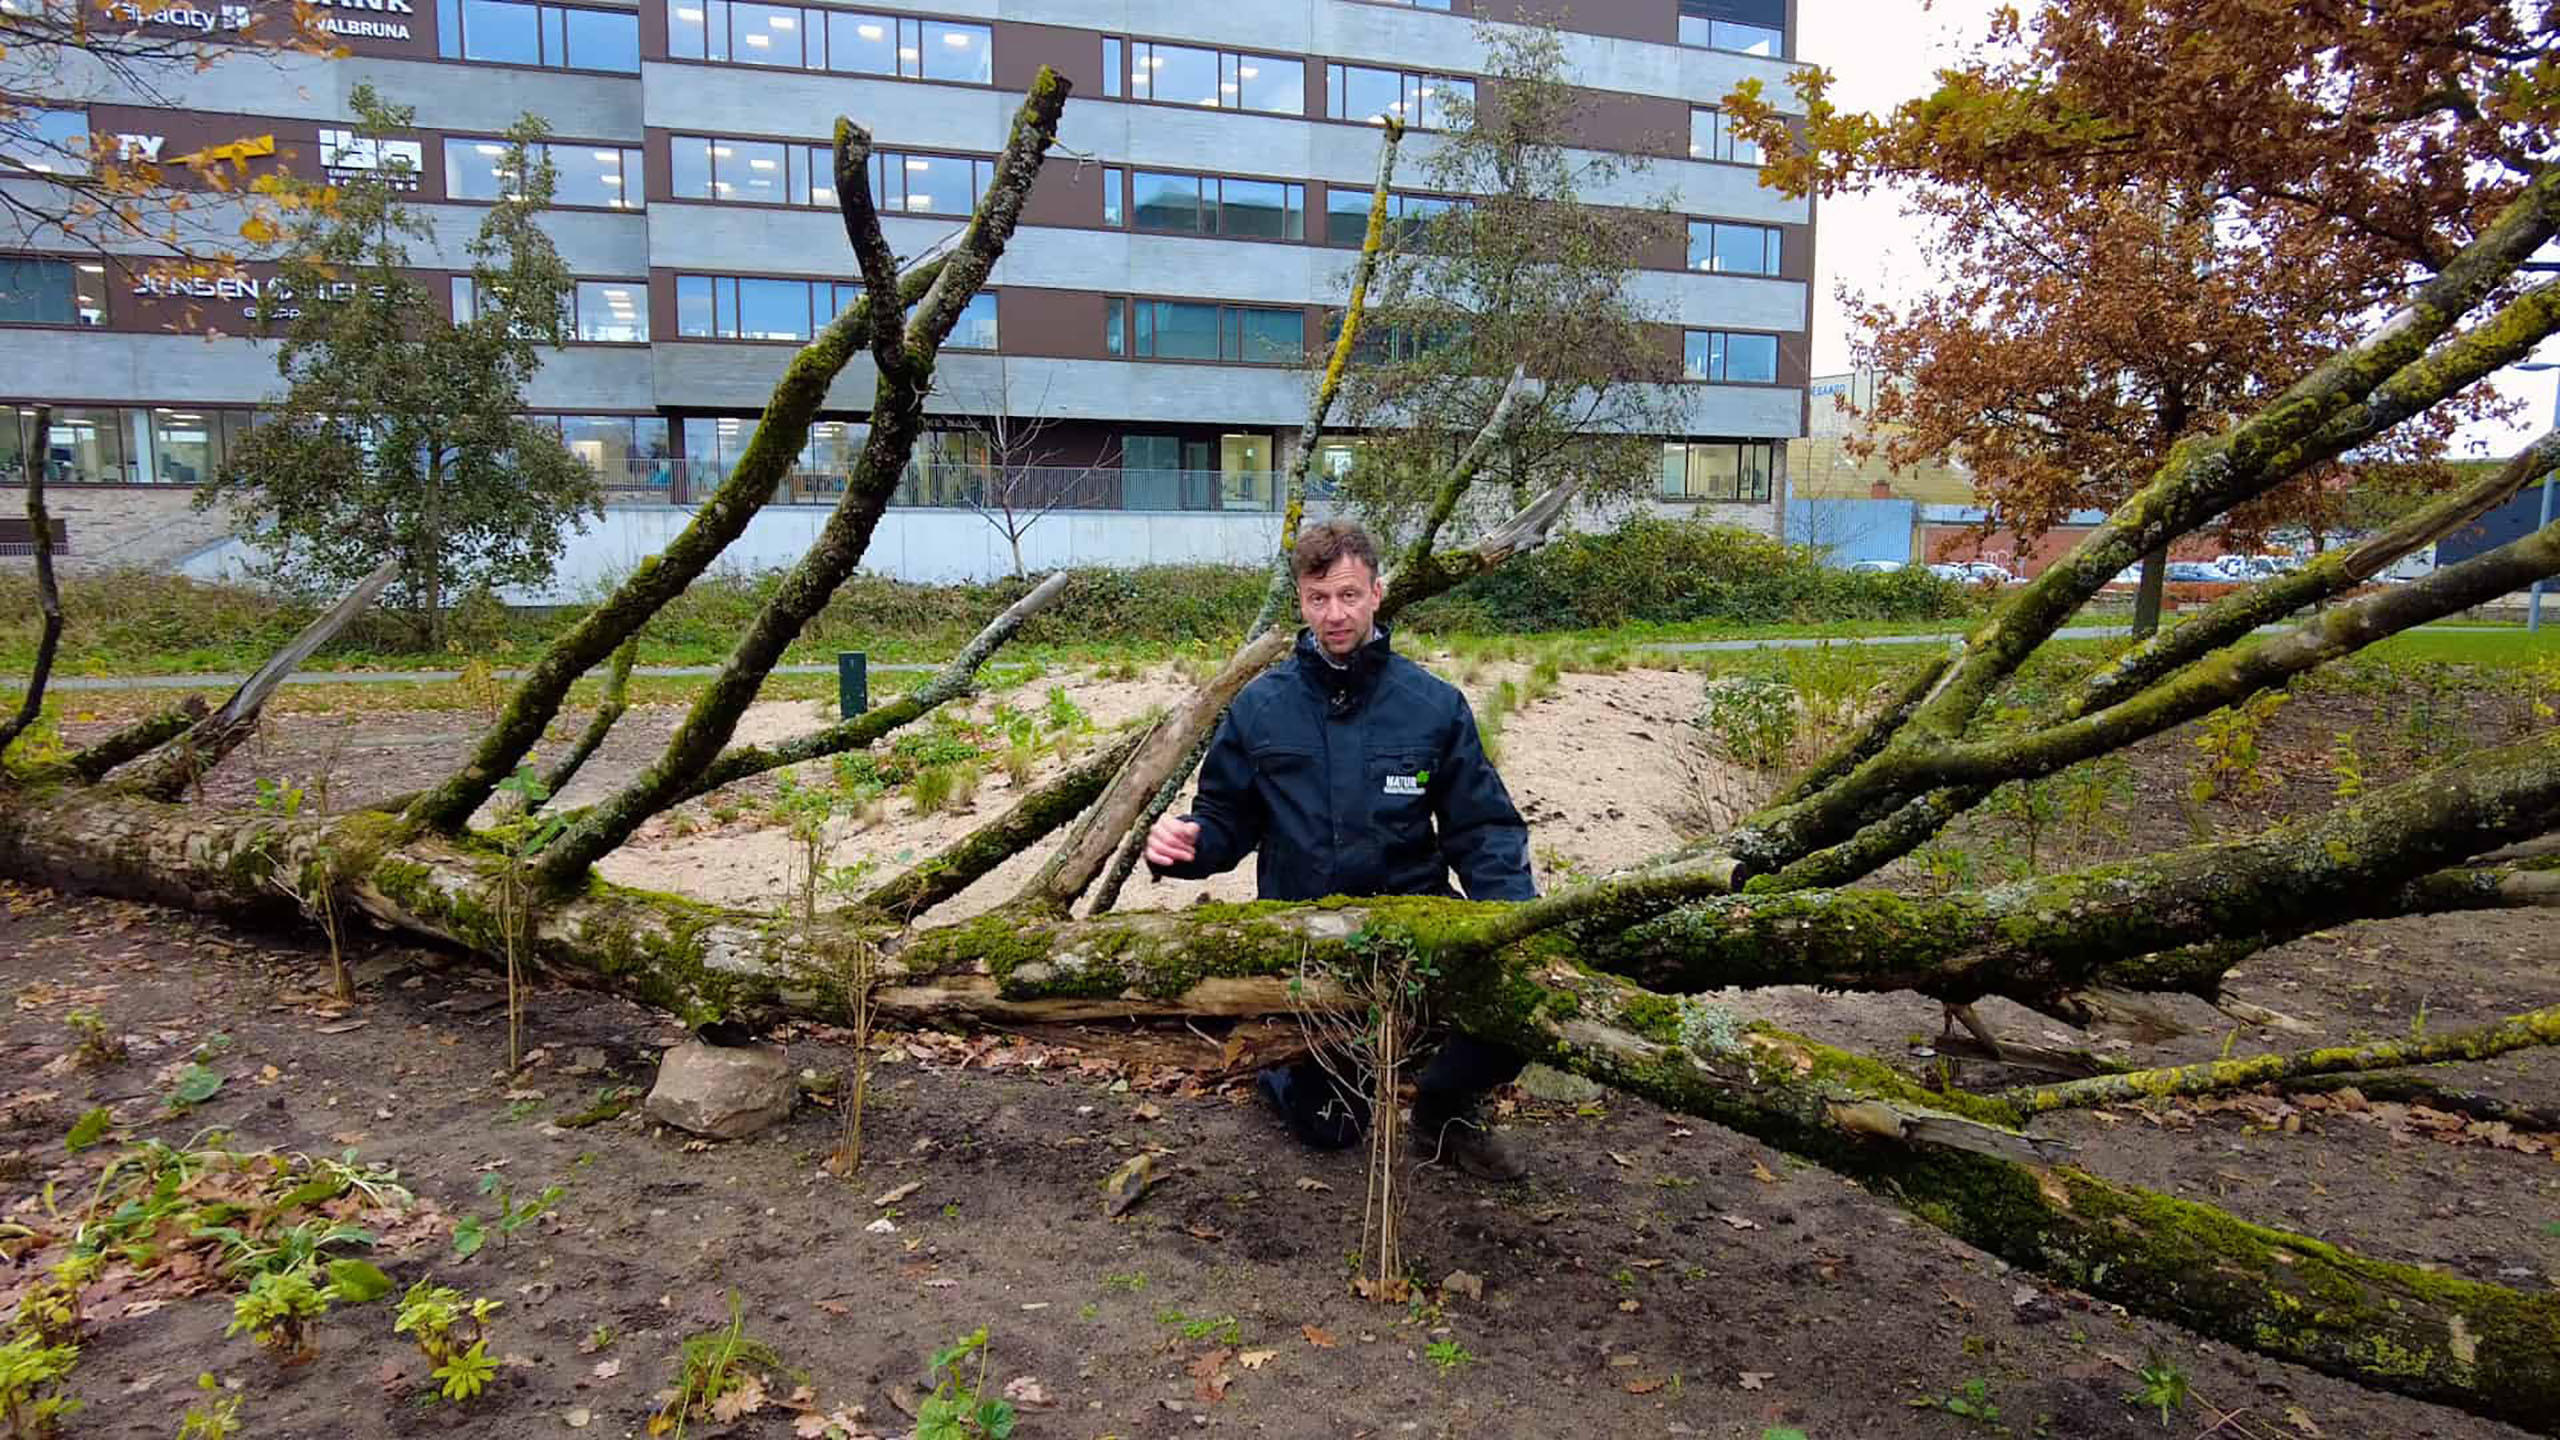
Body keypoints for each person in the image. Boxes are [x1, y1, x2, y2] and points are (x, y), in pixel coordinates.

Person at [1144, 520, 1536, 1180]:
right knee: (1331, 1129)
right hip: (1305, 941)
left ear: (1377, 593)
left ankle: (1444, 1107)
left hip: (1413, 927)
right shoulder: (1260, 708)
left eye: (1349, 596)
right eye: (1319, 598)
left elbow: (1484, 829)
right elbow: (1224, 822)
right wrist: (1184, 845)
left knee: (1518, 1009)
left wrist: (1514, 922)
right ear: (1300, 601)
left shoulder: (1433, 706)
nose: (1335, 614)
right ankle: (1287, 1068)